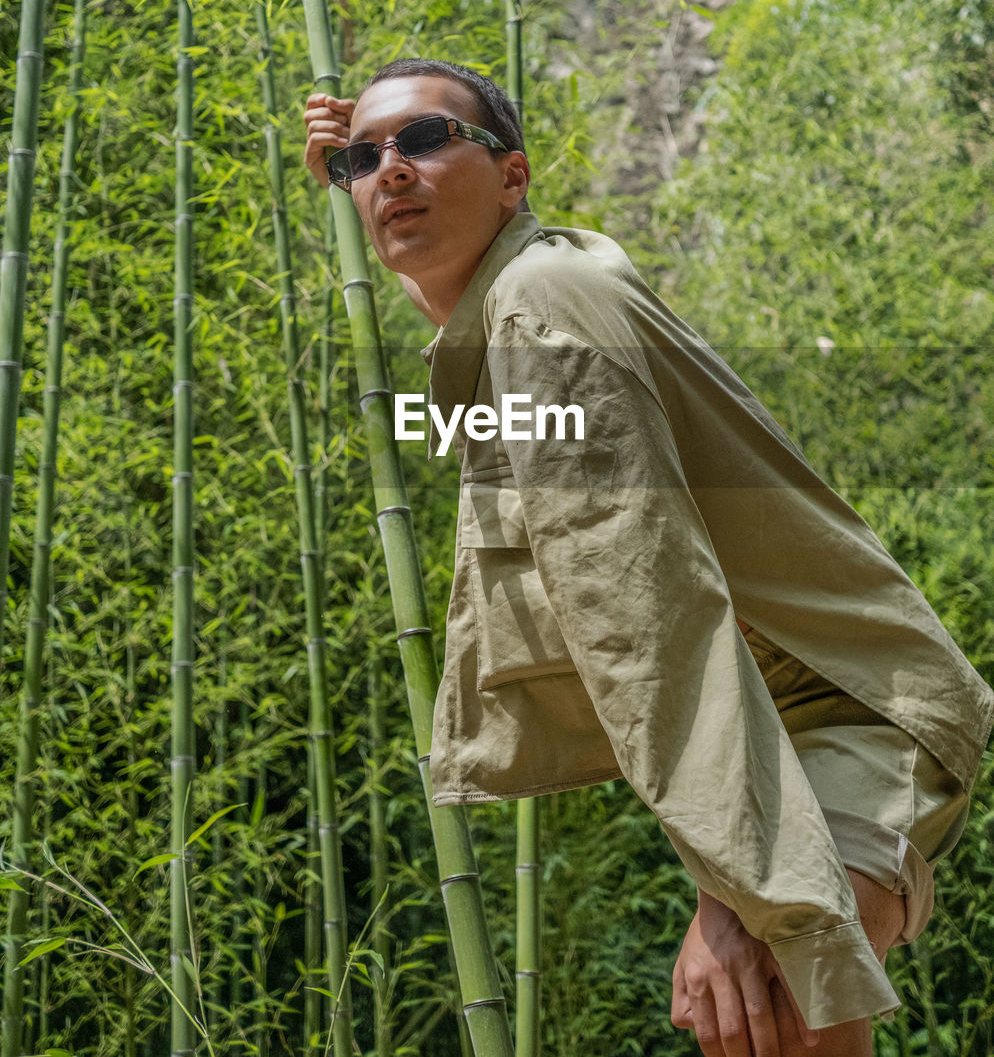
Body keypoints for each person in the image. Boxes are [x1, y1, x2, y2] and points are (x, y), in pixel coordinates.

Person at [303, 59, 993, 1057]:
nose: (389, 171)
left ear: (513, 176)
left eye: (423, 140)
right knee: (753, 1021)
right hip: (788, 712)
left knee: (771, 1008)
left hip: (849, 698)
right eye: (364, 161)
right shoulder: (525, 299)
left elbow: (645, 604)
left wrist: (739, 888)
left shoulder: (543, 308)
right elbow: (465, 332)